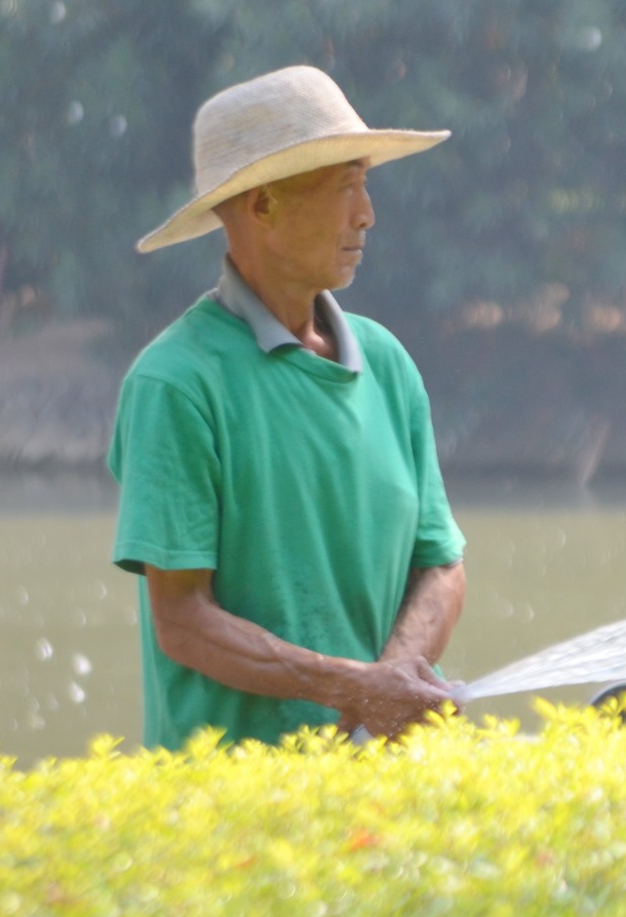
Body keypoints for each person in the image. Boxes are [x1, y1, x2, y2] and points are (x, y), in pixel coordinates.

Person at [107, 65, 466, 749]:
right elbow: (182, 619)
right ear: (263, 205)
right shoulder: (176, 384)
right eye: (343, 186)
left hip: (386, 806)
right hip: (237, 825)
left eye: (366, 181)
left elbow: (442, 566)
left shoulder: (387, 364)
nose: (367, 212)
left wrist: (392, 676)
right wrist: (354, 688)